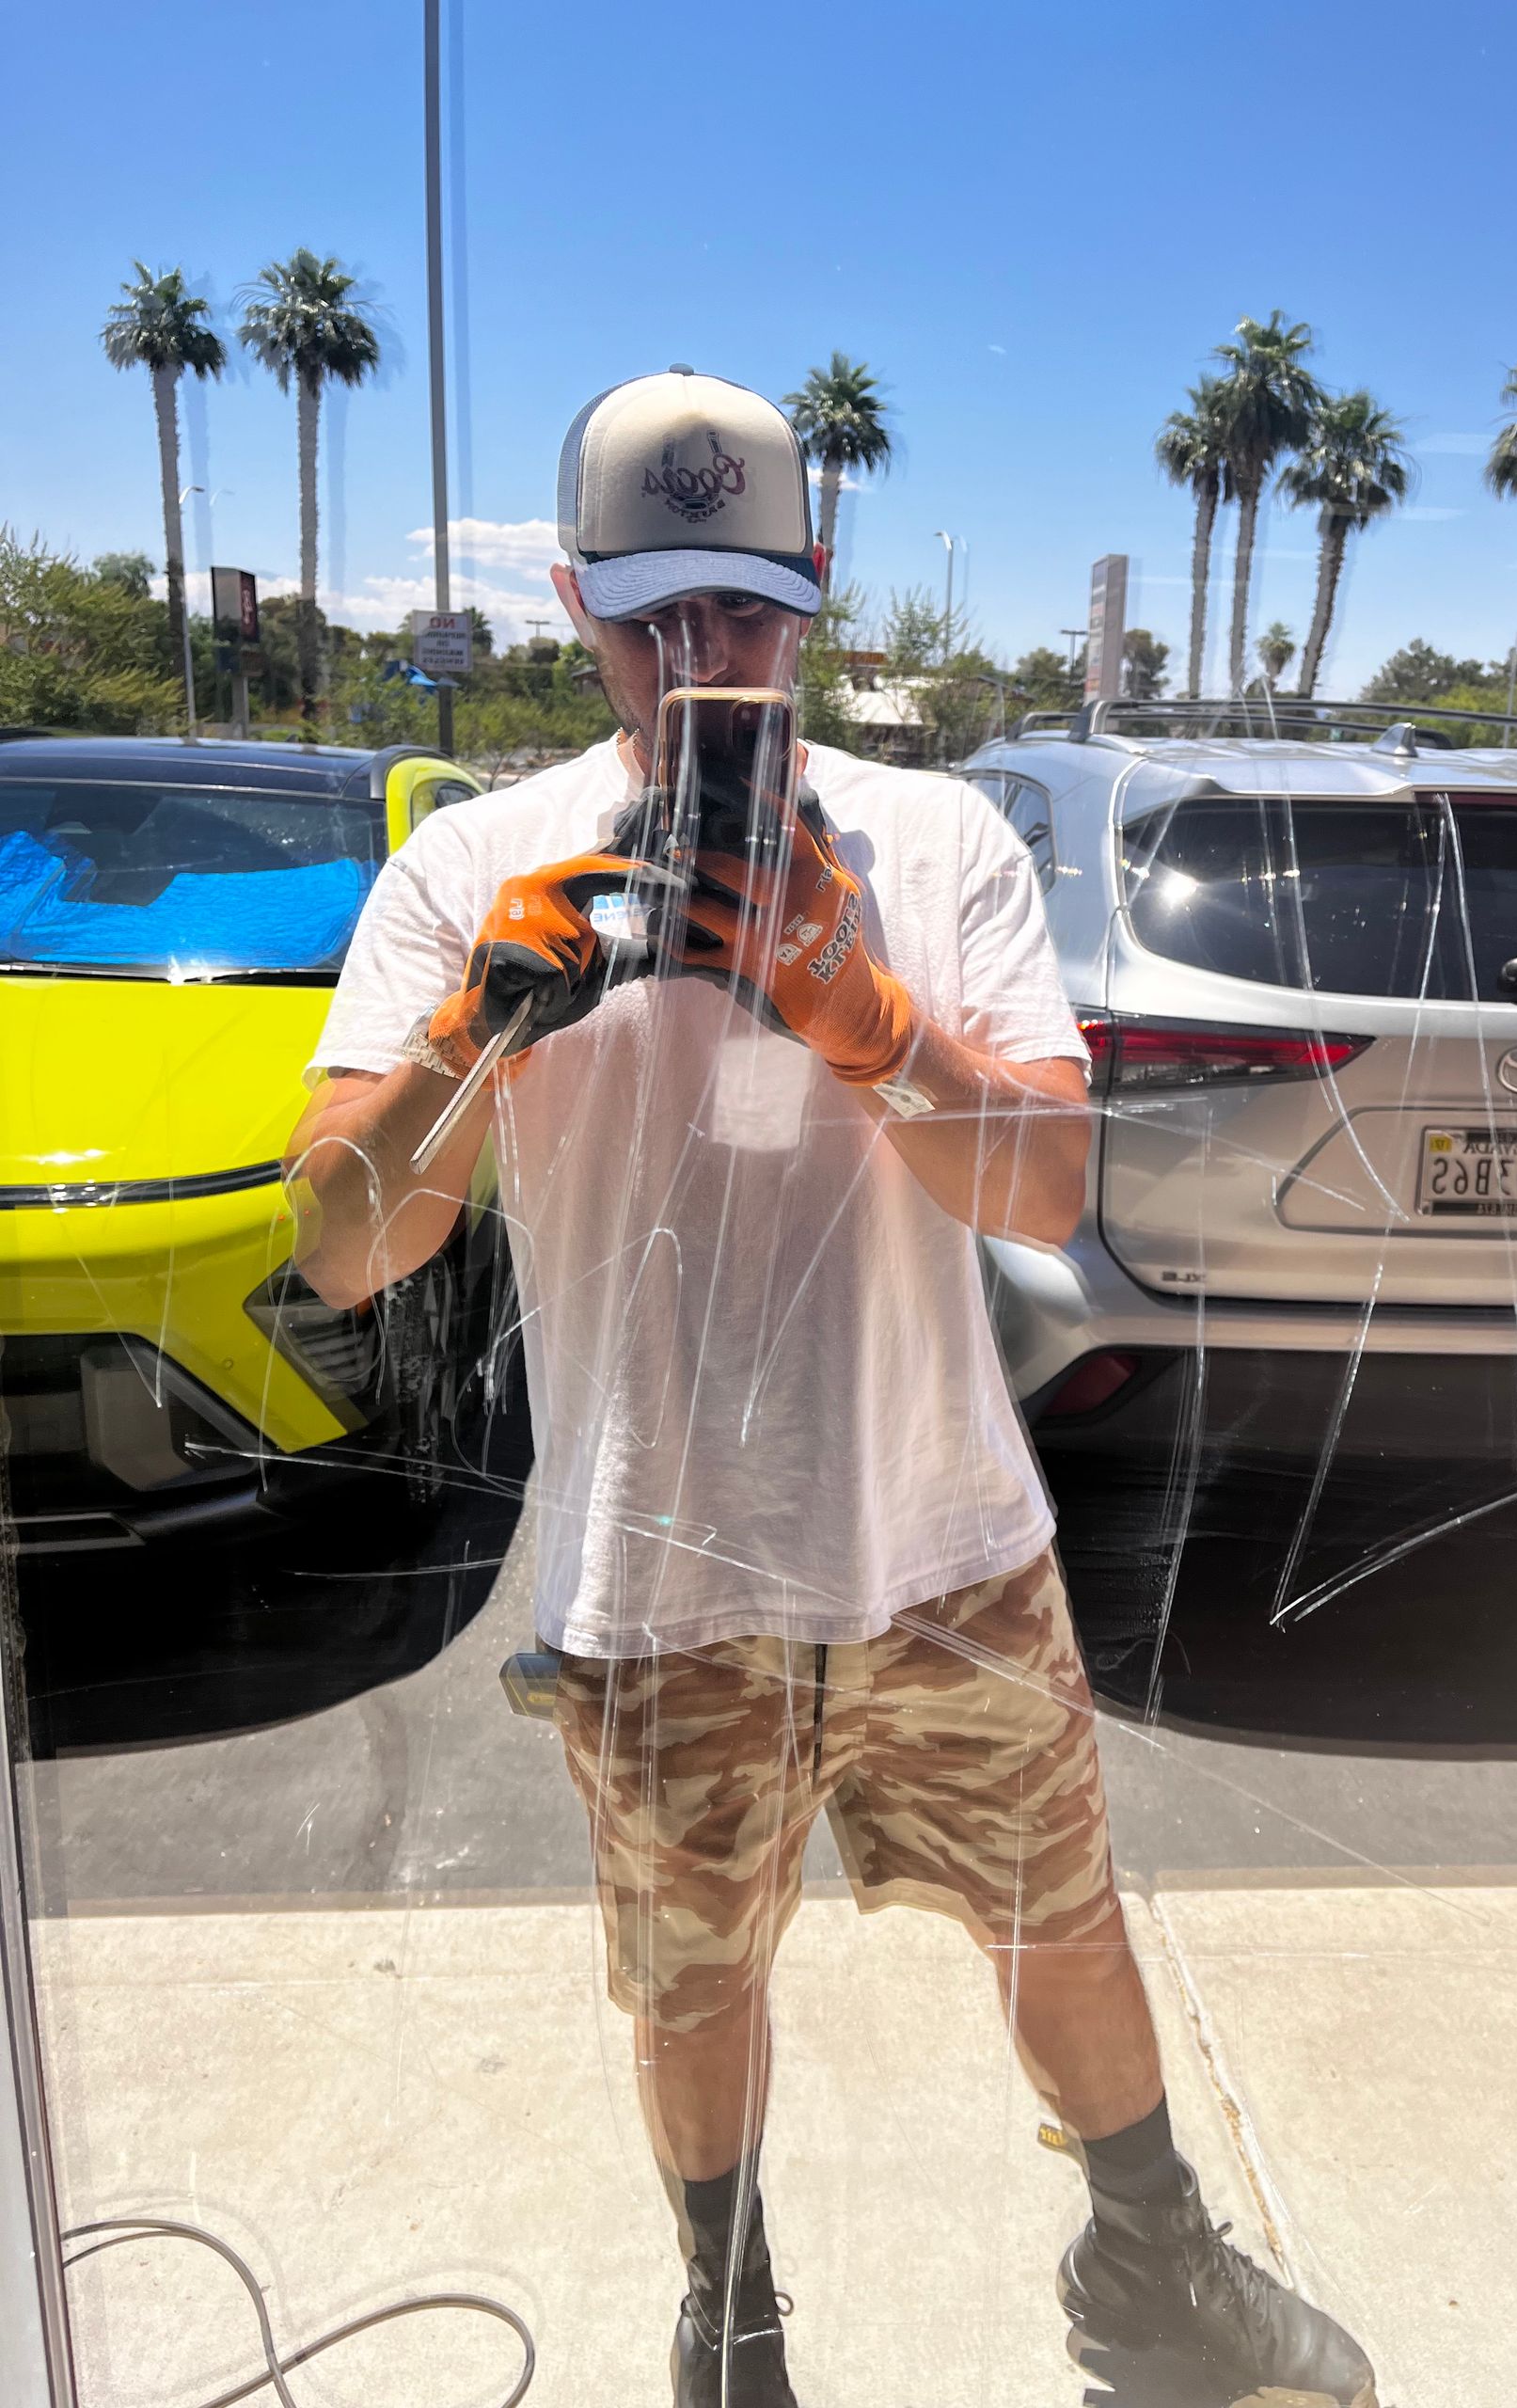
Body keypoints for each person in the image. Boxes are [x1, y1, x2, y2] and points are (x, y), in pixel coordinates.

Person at [286, 368, 1378, 2408]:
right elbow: (350, 1241)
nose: (701, 663)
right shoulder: (482, 864)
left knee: (1067, 1920)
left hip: (938, 1533)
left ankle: (1154, 2266)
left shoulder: (938, 838)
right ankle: (730, 2326)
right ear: (570, 600)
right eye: (650, 620)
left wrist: (858, 1007)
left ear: (816, 588)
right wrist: (473, 1026)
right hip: (656, 1580)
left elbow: (1047, 1182)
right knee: (697, 1988)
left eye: (745, 615)